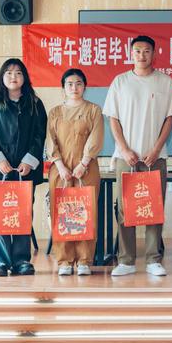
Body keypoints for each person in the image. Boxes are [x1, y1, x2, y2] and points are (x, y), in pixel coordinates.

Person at [103, 35, 172, 277]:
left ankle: (153, 259)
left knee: (154, 207)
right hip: (126, 157)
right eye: (137, 50)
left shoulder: (165, 82)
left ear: (154, 54)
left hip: (155, 157)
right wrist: (124, 149)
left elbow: (169, 119)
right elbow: (113, 119)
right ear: (131, 53)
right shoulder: (120, 82)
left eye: (147, 51)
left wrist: (156, 149)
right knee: (125, 208)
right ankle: (126, 260)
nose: (142, 55)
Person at [0, 58, 47, 277]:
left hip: (24, 170)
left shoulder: (34, 103)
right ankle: (0, 260)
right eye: (8, 73)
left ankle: (21, 260)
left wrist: (29, 160)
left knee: (22, 213)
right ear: (2, 77)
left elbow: (40, 134)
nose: (13, 77)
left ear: (24, 77)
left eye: (18, 73)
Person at [46, 68, 104, 276]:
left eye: (79, 83)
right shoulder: (55, 112)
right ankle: (64, 261)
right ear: (63, 88)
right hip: (60, 170)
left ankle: (84, 261)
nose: (74, 88)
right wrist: (60, 165)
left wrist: (84, 163)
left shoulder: (94, 110)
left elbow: (96, 137)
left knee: (85, 212)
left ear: (85, 86)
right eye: (69, 84)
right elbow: (50, 140)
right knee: (61, 213)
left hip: (86, 169)